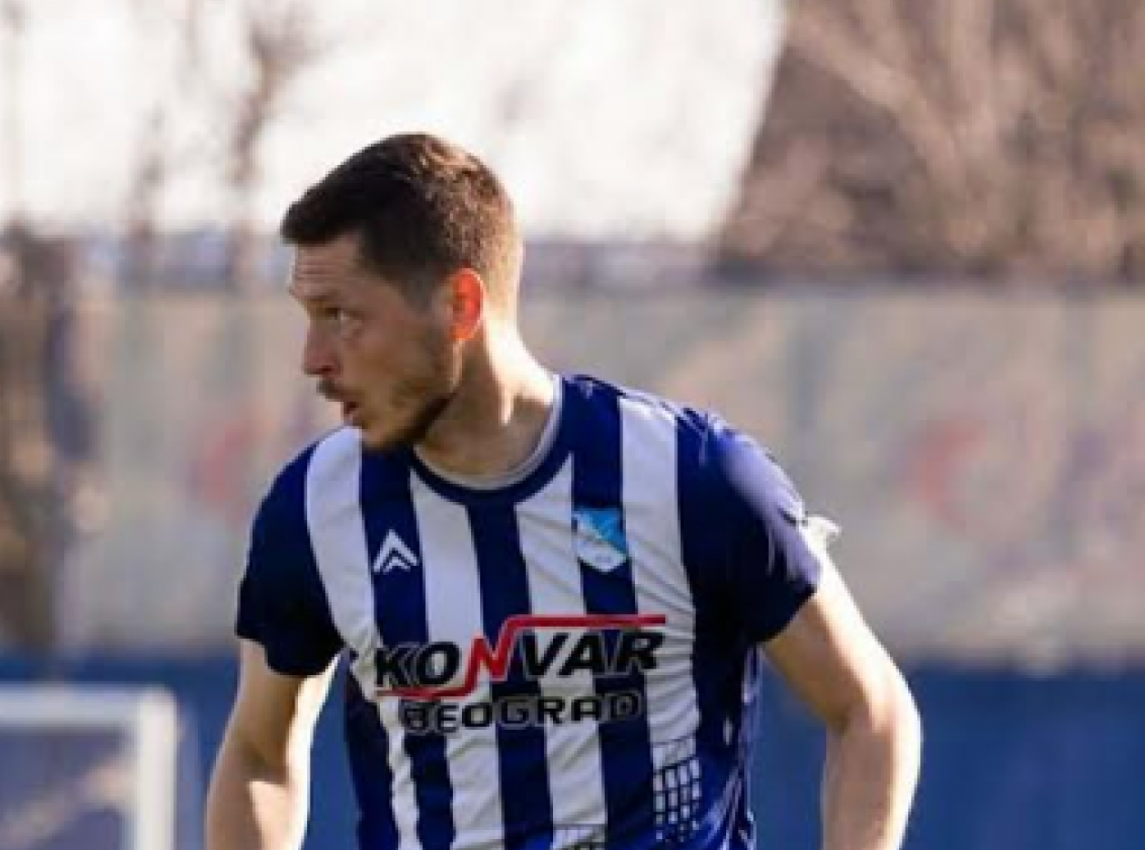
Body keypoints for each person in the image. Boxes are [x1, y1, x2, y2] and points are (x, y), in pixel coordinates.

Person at [205, 132, 921, 850]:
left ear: (460, 304)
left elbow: (871, 711)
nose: (314, 359)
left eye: (343, 316)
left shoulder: (692, 476)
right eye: (309, 316)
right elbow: (259, 755)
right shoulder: (315, 507)